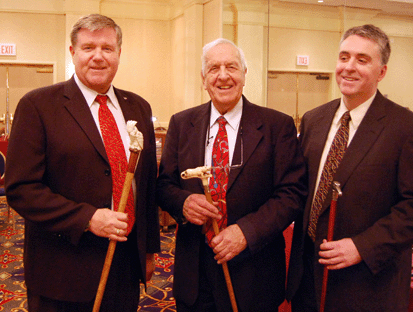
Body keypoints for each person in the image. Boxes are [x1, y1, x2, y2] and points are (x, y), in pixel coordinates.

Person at [5, 14, 159, 312]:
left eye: (107, 48)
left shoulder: (138, 107)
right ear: (73, 52)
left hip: (125, 266)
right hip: (64, 271)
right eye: (89, 47)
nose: (98, 57)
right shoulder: (38, 105)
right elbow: (21, 189)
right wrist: (88, 219)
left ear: (119, 54)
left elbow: (147, 187)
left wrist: (149, 251)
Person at [286, 24, 413, 312]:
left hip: (365, 287)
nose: (349, 67)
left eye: (362, 59)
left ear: (382, 72)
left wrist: (363, 246)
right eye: (344, 57)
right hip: (307, 279)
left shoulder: (407, 129)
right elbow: (299, 191)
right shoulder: (314, 120)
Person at [156, 38, 307, 312]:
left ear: (244, 75)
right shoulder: (181, 124)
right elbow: (165, 185)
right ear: (204, 79)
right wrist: (183, 203)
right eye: (214, 68)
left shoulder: (277, 126)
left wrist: (246, 233)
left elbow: (292, 194)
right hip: (195, 271)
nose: (223, 76)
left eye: (232, 67)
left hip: (253, 270)